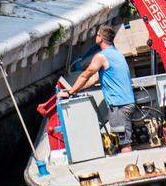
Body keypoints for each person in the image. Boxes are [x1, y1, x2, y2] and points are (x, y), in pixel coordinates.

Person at [58, 25, 135, 153]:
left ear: (101, 38)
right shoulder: (116, 53)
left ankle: (129, 168)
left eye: (97, 34)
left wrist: (70, 92)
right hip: (125, 103)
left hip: (119, 105)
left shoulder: (101, 56)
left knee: (125, 144)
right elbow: (94, 79)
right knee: (122, 139)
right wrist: (76, 90)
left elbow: (85, 75)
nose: (96, 36)